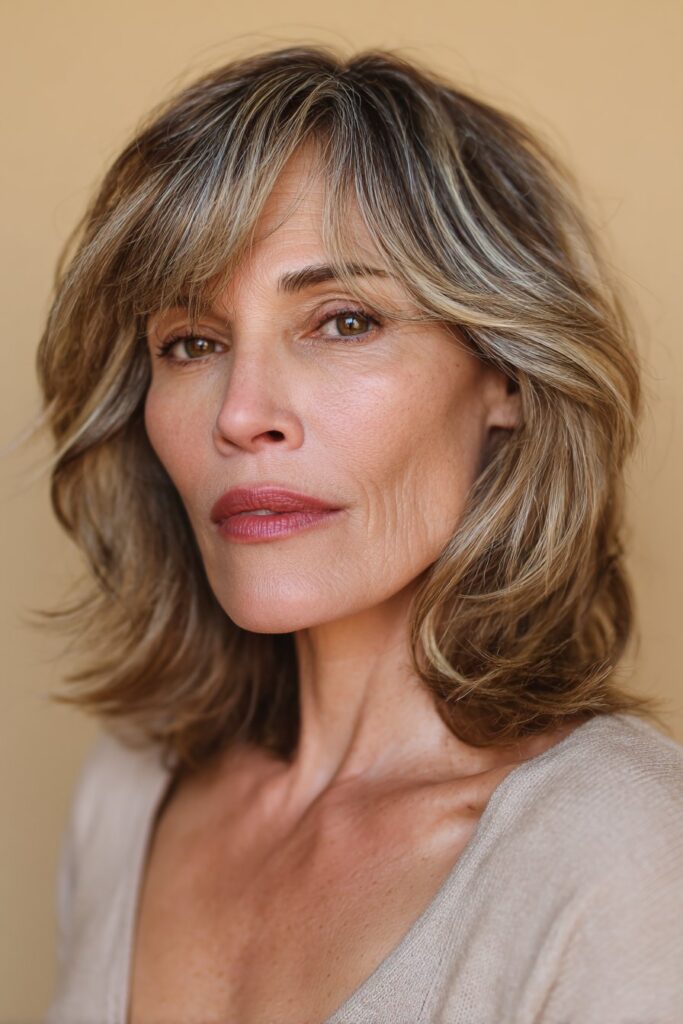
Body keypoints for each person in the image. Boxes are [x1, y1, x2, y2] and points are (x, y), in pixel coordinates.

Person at [39, 45, 682, 1024]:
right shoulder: (125, 797)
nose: (241, 412)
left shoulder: (617, 851)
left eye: (341, 321)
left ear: (502, 374)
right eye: (192, 343)